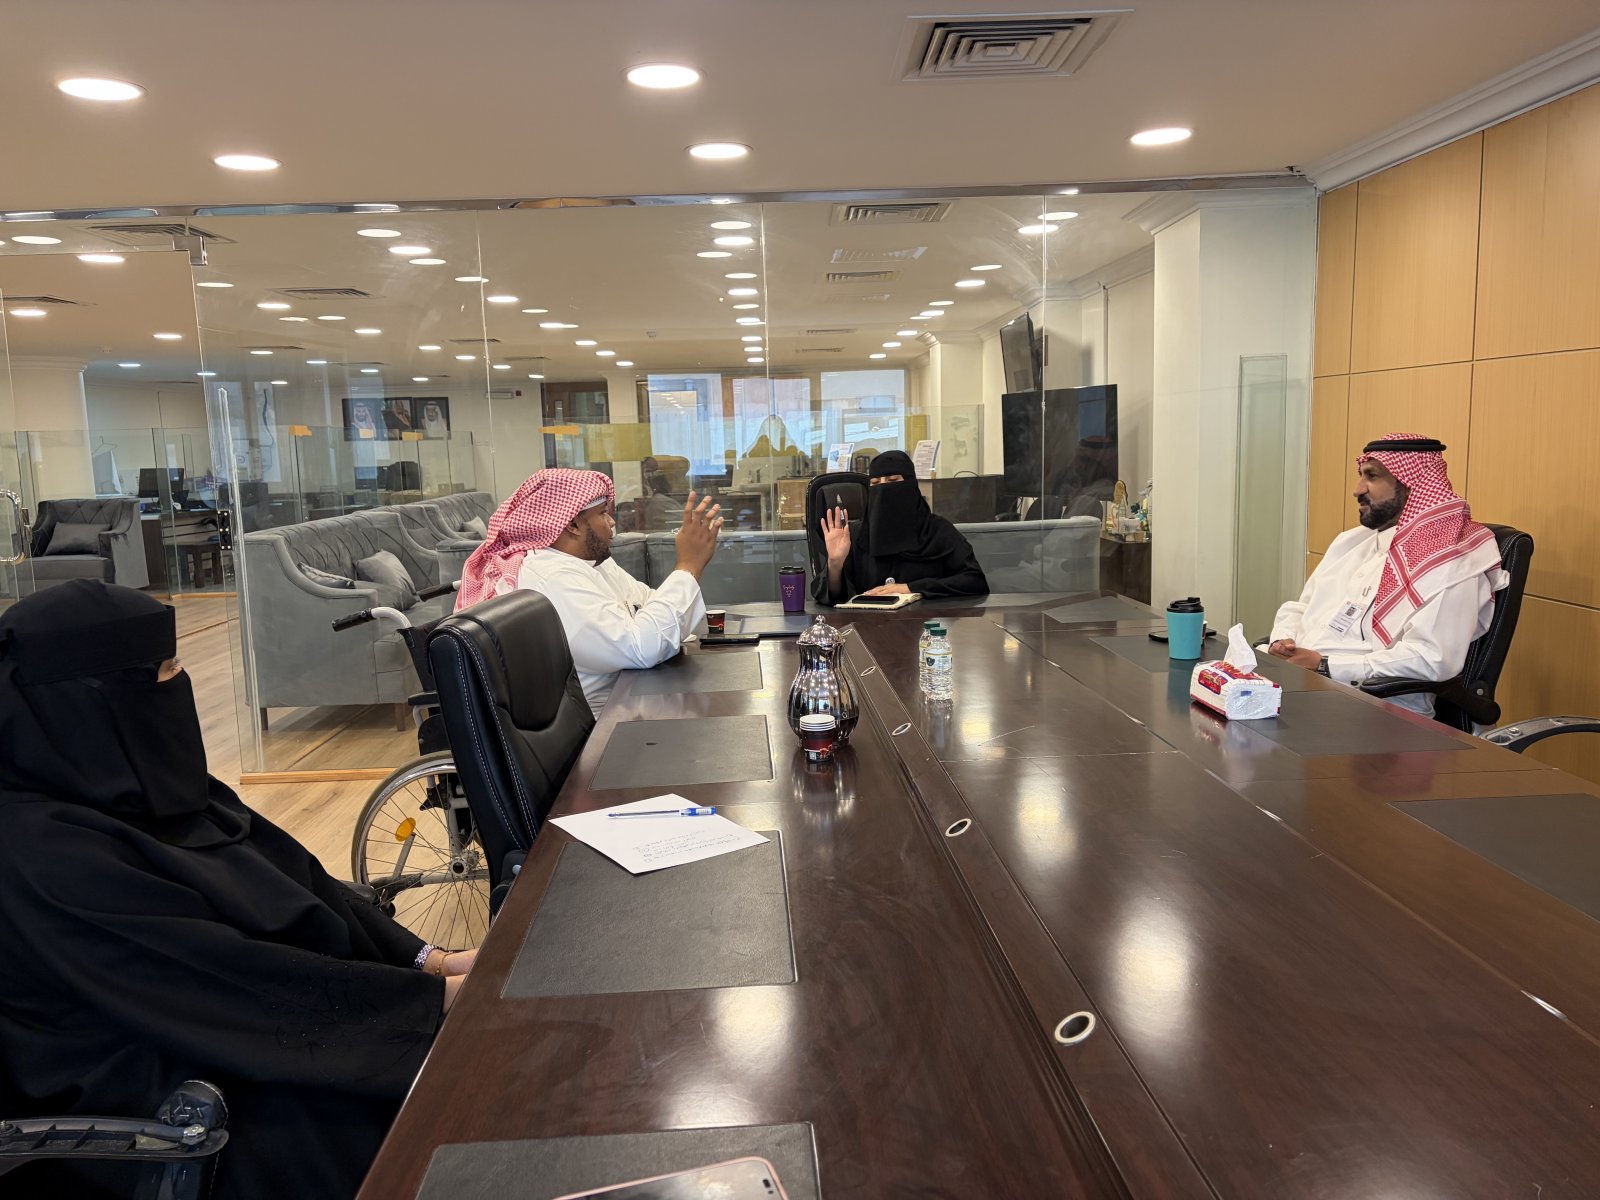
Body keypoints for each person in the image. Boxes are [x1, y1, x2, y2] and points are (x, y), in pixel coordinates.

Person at [0, 581, 472, 1200]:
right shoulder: (42, 855)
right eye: (163, 671)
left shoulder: (152, 788)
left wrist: (429, 962)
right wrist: (429, 1003)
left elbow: (298, 878)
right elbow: (218, 978)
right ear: (84, 703)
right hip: (165, 1106)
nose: (179, 684)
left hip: (257, 1032)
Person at [1268, 433, 1507, 715]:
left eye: (1371, 476)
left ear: (1412, 485)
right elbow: (1301, 607)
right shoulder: (1350, 542)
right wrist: (1283, 641)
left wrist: (1324, 665)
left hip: (1375, 708)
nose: (1357, 490)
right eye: (1360, 476)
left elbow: (1432, 658)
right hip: (1303, 686)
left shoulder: (1450, 560)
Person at [456, 469, 721, 711]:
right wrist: (688, 566)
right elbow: (641, 647)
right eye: (603, 513)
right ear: (572, 524)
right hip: (597, 729)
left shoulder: (591, 563)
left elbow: (651, 604)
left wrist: (655, 623)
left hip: (633, 700)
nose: (612, 522)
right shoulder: (551, 577)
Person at [814, 449, 989, 604]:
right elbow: (833, 597)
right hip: (868, 625)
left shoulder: (937, 531)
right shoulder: (856, 535)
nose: (883, 489)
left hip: (926, 625)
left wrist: (910, 588)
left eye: (892, 480)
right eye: (875, 483)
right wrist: (835, 564)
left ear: (911, 484)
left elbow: (974, 581)